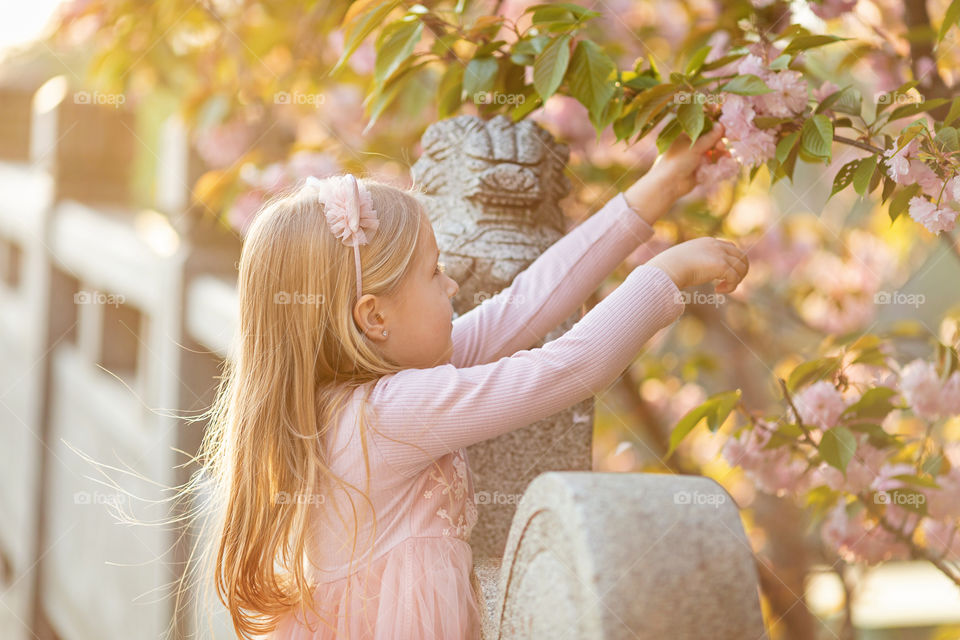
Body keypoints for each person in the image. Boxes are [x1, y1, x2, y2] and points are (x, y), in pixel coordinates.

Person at [191, 123, 748, 639]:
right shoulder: (394, 412)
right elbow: (572, 366)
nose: (453, 285)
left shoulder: (360, 397)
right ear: (374, 317)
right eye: (435, 271)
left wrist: (657, 187)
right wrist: (665, 275)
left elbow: (529, 301)